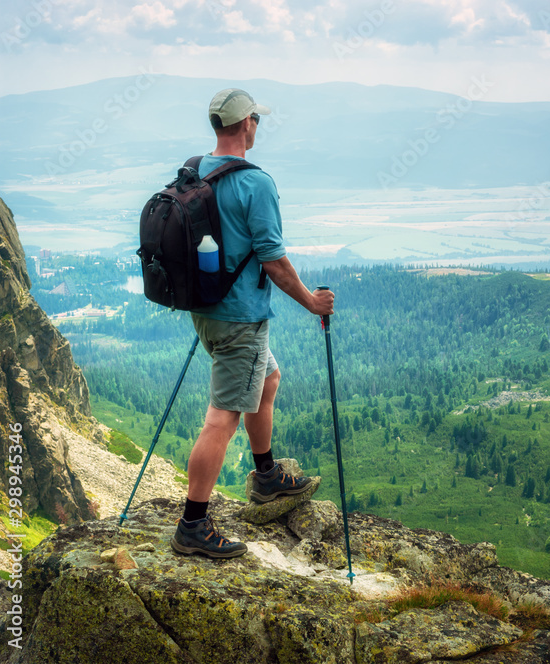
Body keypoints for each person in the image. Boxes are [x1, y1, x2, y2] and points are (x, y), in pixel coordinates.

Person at [171, 88, 334, 559]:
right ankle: (193, 524)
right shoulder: (256, 182)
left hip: (207, 310)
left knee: (269, 376)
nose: (258, 125)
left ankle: (265, 476)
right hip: (240, 317)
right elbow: (274, 260)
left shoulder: (194, 170)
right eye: (257, 118)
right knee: (221, 419)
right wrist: (311, 303)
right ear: (247, 125)